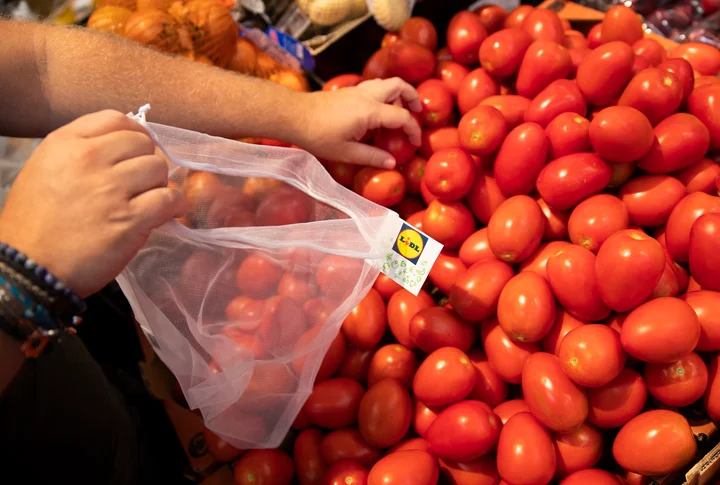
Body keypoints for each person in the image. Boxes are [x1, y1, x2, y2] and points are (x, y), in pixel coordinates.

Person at [0, 19, 421, 484]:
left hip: (53, 371)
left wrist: (299, 113)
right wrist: (18, 280)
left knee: (119, 436)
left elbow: (38, 65)